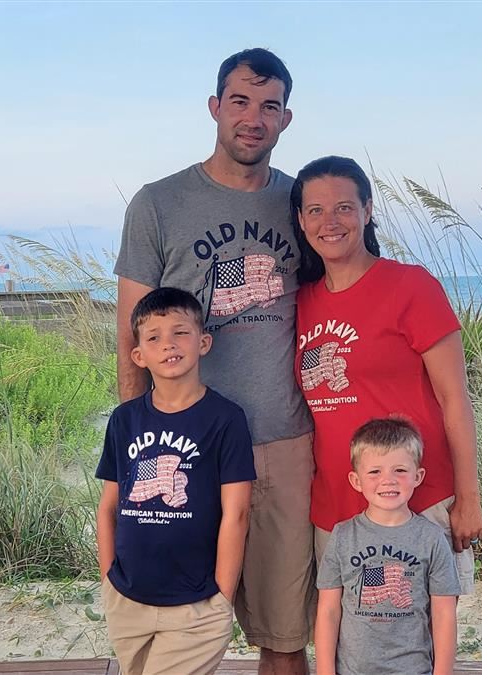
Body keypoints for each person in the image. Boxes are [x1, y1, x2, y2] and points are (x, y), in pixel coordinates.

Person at [114, 49, 315, 673]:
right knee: (170, 621)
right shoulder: (158, 203)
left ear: (286, 119)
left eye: (269, 106)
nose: (253, 118)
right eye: (239, 102)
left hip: (281, 441)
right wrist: (132, 444)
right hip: (181, 443)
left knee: (282, 635)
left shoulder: (301, 203)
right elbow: (131, 334)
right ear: (214, 108)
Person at [292, 156, 482, 593]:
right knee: (351, 648)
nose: (330, 221)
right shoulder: (300, 302)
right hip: (337, 510)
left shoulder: (410, 286)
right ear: (301, 220)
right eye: (316, 210)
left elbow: (455, 399)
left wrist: (468, 498)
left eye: (344, 207)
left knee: (420, 644)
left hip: (417, 500)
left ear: (367, 210)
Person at [96, 287, 255, 675]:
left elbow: (237, 512)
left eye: (180, 332)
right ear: (139, 355)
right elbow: (108, 506)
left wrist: (222, 595)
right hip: (128, 599)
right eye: (154, 337)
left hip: (196, 603)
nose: (168, 344)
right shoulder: (124, 419)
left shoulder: (225, 419)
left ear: (203, 342)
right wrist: (108, 579)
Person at [315, 418, 460, 675]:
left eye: (400, 470)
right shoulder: (343, 536)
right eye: (375, 471)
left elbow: (444, 614)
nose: (388, 480)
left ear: (418, 476)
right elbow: (328, 610)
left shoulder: (432, 538)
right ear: (356, 480)